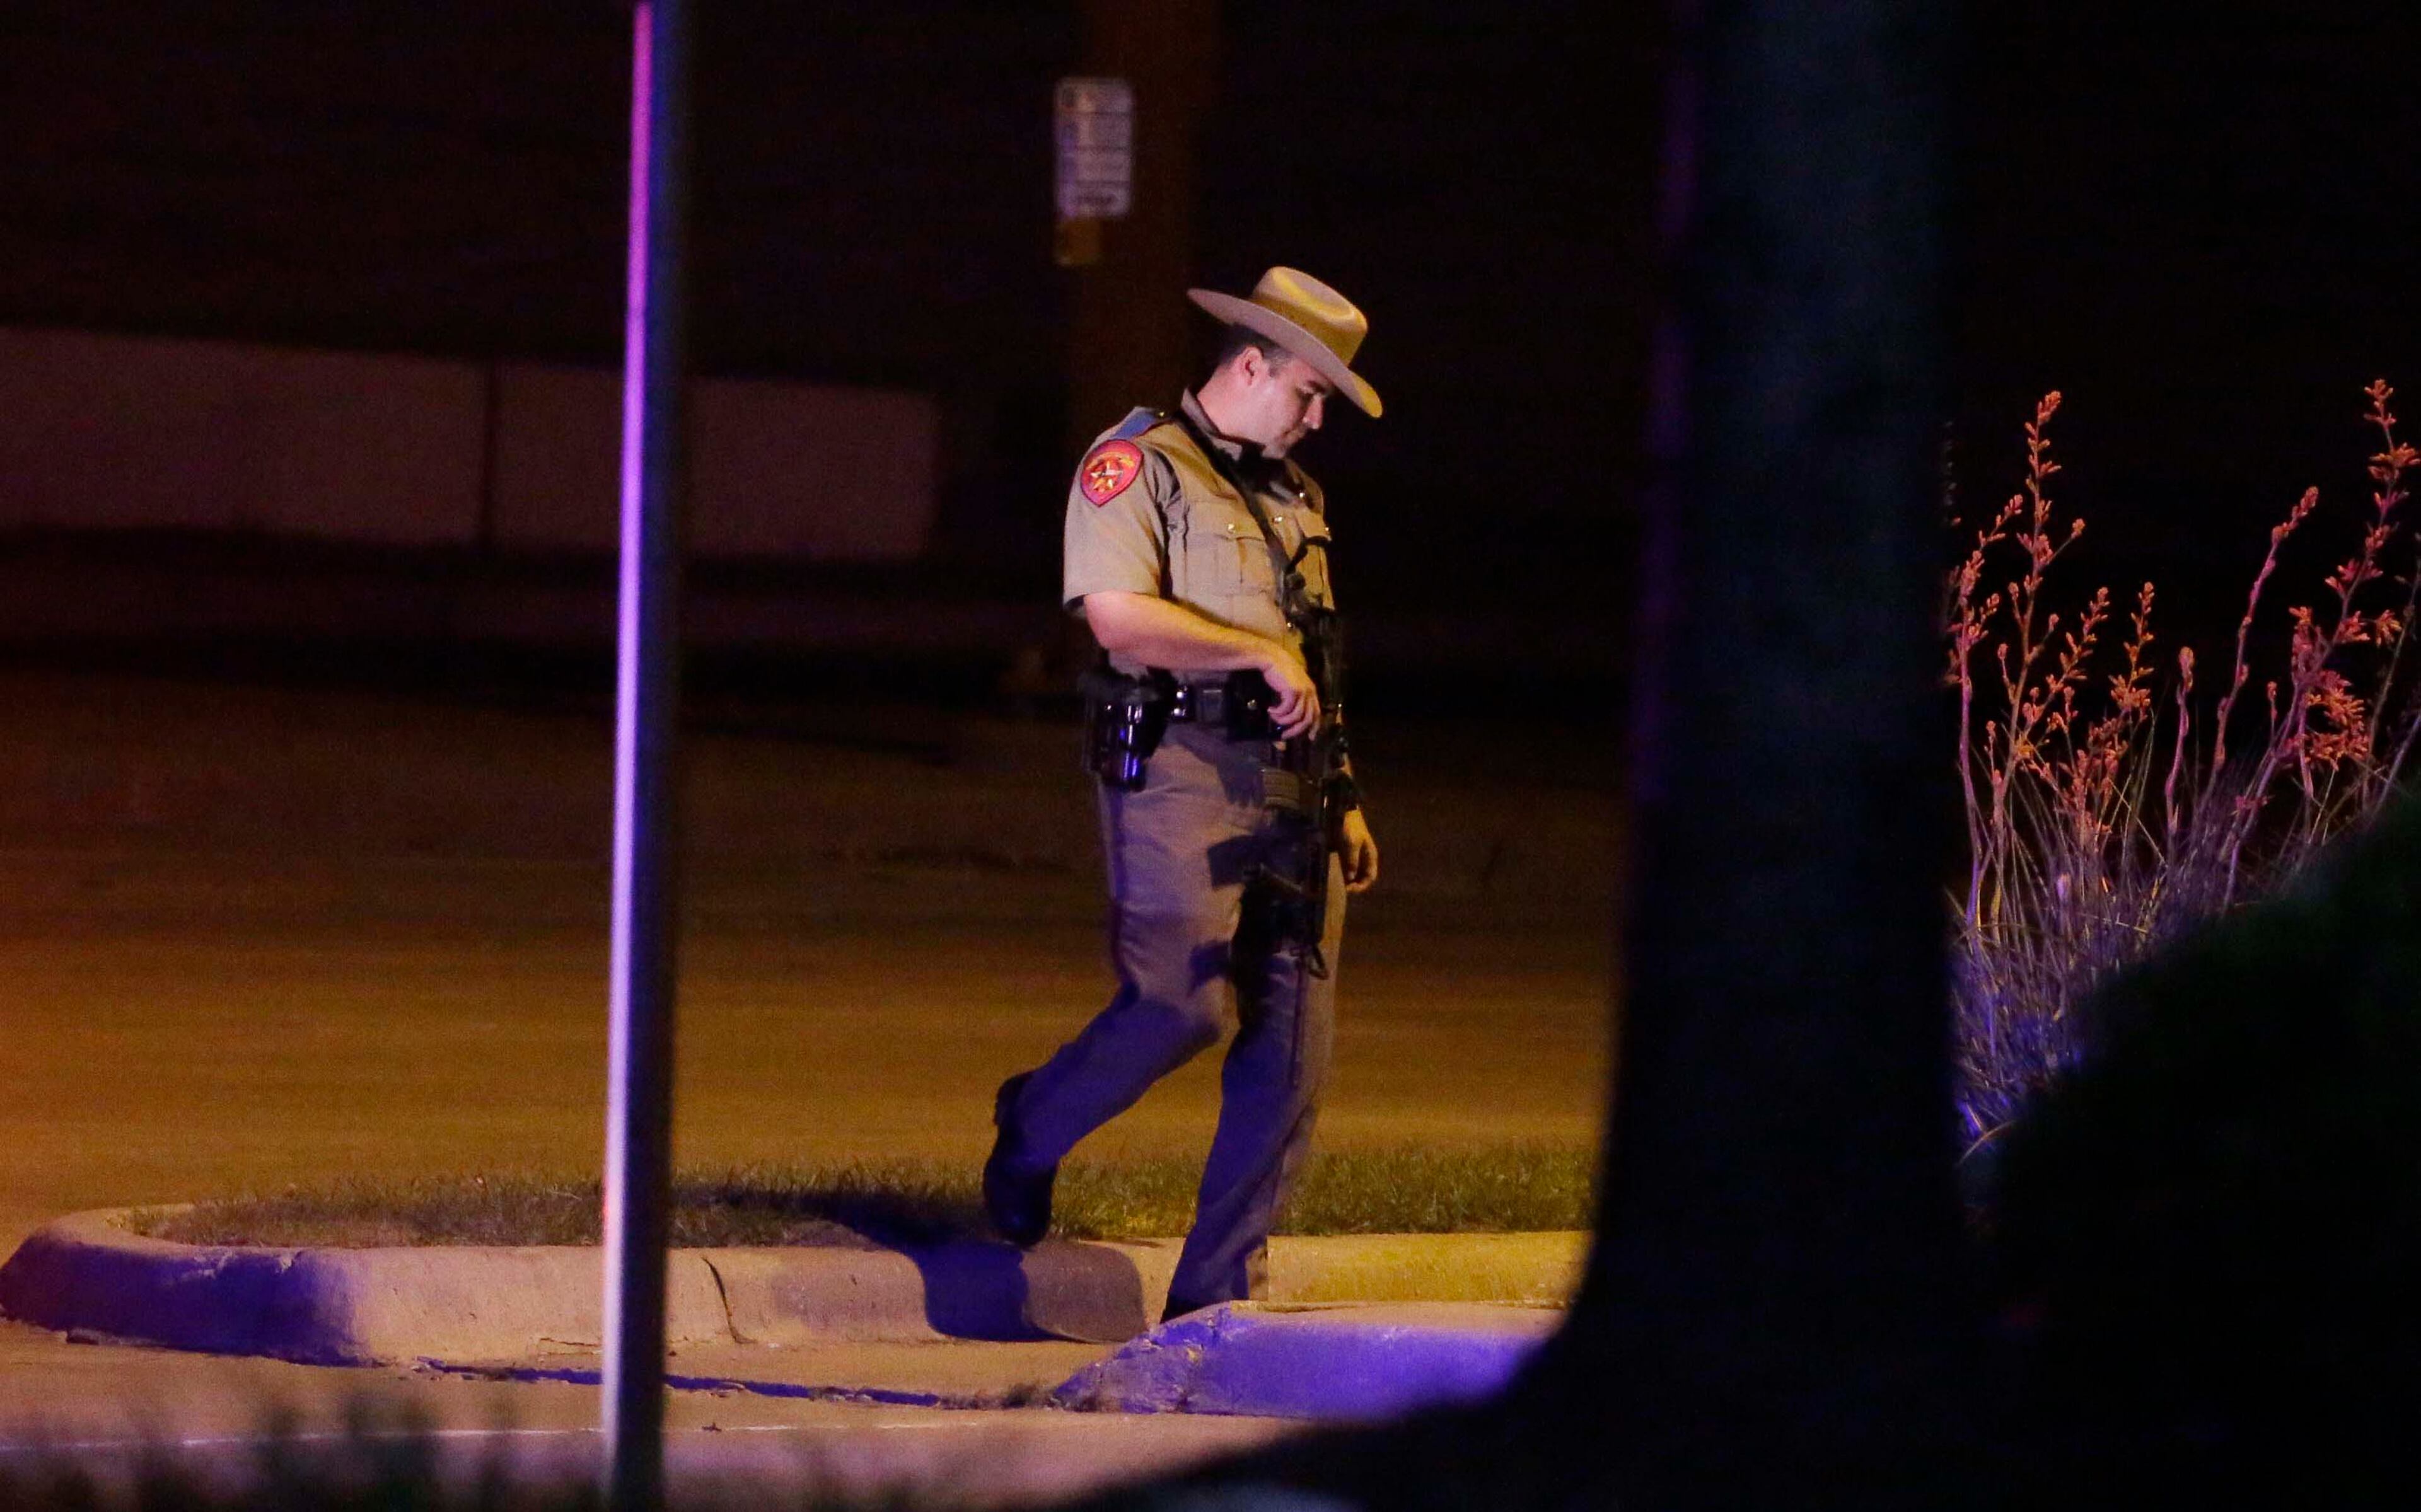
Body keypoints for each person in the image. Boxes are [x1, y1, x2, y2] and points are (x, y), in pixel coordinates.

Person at [984, 267, 1384, 1322]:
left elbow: (1317, 655)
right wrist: (1251, 653)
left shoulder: (1297, 495)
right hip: (1180, 774)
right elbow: (1116, 616)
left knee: (1293, 1051)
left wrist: (1342, 793)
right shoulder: (1138, 466)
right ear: (1250, 364)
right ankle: (1030, 1126)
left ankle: (1213, 1305)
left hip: (1293, 790)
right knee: (1180, 1007)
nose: (1314, 420)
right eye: (1308, 394)